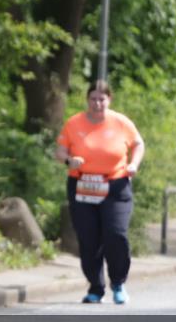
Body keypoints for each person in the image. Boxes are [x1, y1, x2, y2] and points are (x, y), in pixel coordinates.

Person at [54, 80, 144, 305]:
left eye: (101, 99)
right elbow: (60, 150)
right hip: (82, 185)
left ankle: (118, 283)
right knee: (89, 238)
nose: (97, 104)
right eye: (93, 99)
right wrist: (69, 160)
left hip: (115, 185)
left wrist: (134, 164)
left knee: (116, 234)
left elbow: (138, 144)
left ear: (109, 100)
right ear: (87, 100)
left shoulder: (121, 122)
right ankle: (95, 287)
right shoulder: (74, 123)